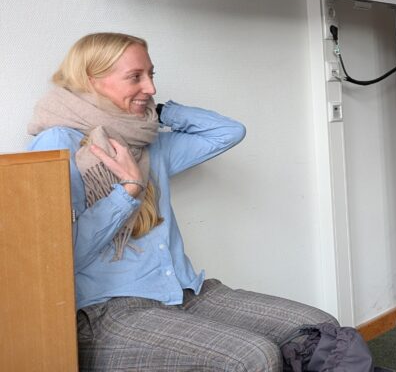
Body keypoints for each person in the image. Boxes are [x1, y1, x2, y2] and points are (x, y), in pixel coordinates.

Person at [27, 33, 338, 371]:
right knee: (255, 355)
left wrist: (157, 112)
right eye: (135, 77)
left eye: (151, 75)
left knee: (321, 329)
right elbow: (58, 254)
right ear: (92, 80)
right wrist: (126, 192)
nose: (150, 87)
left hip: (184, 293)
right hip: (109, 311)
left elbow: (228, 132)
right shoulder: (58, 142)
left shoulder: (147, 143)